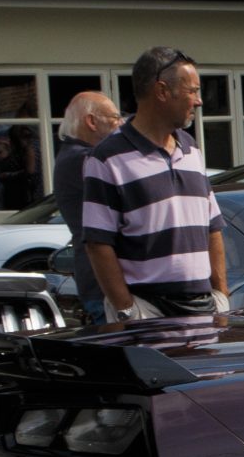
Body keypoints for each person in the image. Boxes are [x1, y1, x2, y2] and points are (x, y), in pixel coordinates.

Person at [82, 46, 229, 321]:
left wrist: (221, 295)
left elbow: (213, 227)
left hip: (204, 309)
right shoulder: (107, 158)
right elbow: (97, 243)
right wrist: (127, 310)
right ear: (162, 91)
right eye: (192, 91)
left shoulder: (191, 149)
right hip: (147, 311)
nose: (198, 101)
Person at [52, 89, 121, 322]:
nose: (120, 125)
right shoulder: (81, 159)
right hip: (104, 285)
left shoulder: (79, 156)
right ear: (91, 121)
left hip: (103, 283)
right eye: (114, 118)